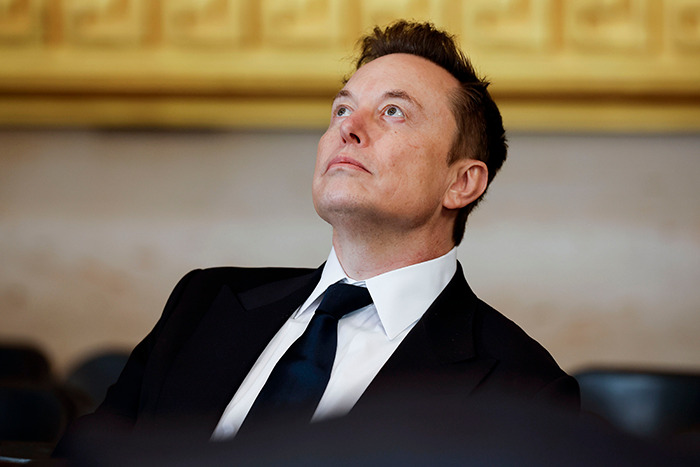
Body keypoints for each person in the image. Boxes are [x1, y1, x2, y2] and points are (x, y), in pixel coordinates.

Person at [54, 20, 578, 457]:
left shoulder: (523, 389)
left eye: (393, 111)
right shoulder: (203, 303)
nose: (349, 128)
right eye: (342, 109)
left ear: (461, 182)